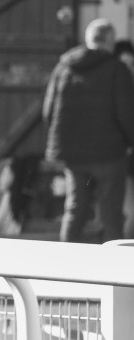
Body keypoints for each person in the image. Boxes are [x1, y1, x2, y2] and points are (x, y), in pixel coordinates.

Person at [43, 18, 134, 243]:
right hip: (109, 154)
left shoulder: (64, 67)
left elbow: (48, 112)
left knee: (75, 208)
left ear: (88, 39)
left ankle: (67, 261)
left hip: (73, 155)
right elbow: (127, 114)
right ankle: (114, 262)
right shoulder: (116, 69)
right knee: (111, 214)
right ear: (110, 40)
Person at [114, 38, 134, 239]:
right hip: (121, 156)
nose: (128, 67)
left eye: (131, 63)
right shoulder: (113, 84)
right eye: (124, 63)